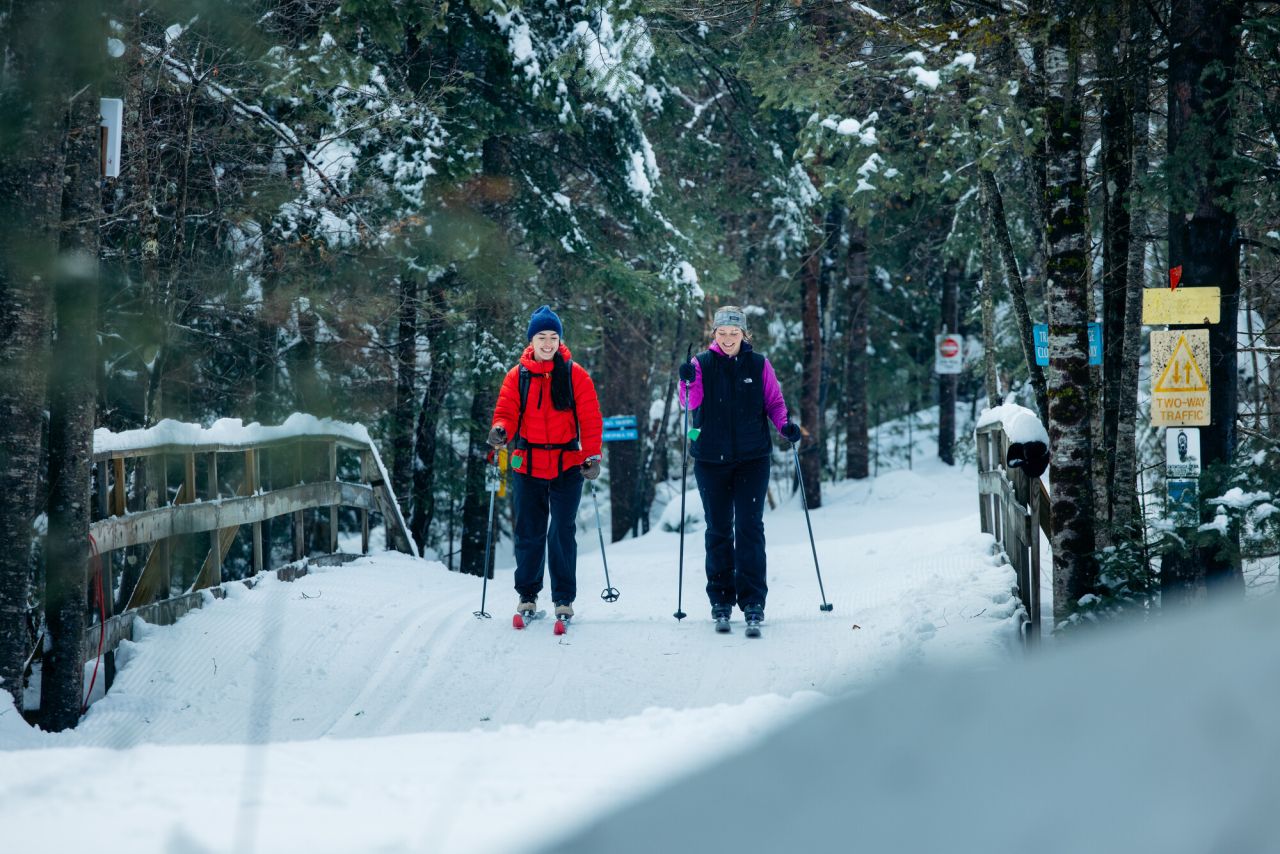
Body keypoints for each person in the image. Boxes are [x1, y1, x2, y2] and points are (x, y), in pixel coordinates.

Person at [678, 305, 801, 631]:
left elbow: (774, 403)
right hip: (710, 461)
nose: (729, 338)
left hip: (752, 459)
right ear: (714, 334)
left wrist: (785, 426)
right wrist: (686, 381)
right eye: (723, 333)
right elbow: (689, 402)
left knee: (749, 528)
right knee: (718, 529)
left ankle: (753, 602)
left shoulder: (759, 364)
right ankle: (720, 600)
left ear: (744, 334)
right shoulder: (700, 363)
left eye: (735, 333)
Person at [488, 305, 603, 625]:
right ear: (532, 340)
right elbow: (507, 413)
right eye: (542, 337)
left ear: (559, 339)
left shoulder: (575, 374)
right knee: (529, 532)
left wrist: (592, 456)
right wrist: (500, 430)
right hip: (528, 462)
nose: (548, 342)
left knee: (562, 531)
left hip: (567, 463)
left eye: (553, 336)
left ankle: (563, 598)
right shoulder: (517, 376)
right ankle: (527, 595)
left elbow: (591, 419)